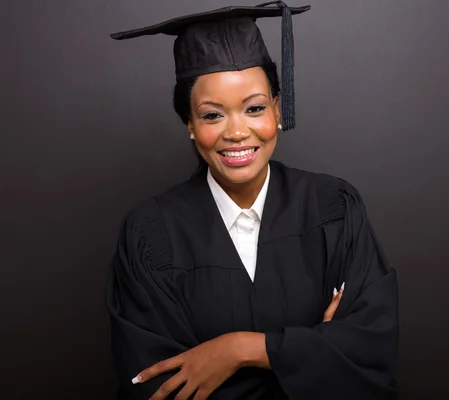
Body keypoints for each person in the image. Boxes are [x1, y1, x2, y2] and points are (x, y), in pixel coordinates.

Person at [106, 2, 398, 399]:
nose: (237, 132)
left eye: (255, 108)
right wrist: (312, 346)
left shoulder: (333, 208)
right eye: (212, 116)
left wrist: (240, 350)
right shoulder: (152, 235)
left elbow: (369, 354)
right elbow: (160, 386)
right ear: (190, 124)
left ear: (278, 109)